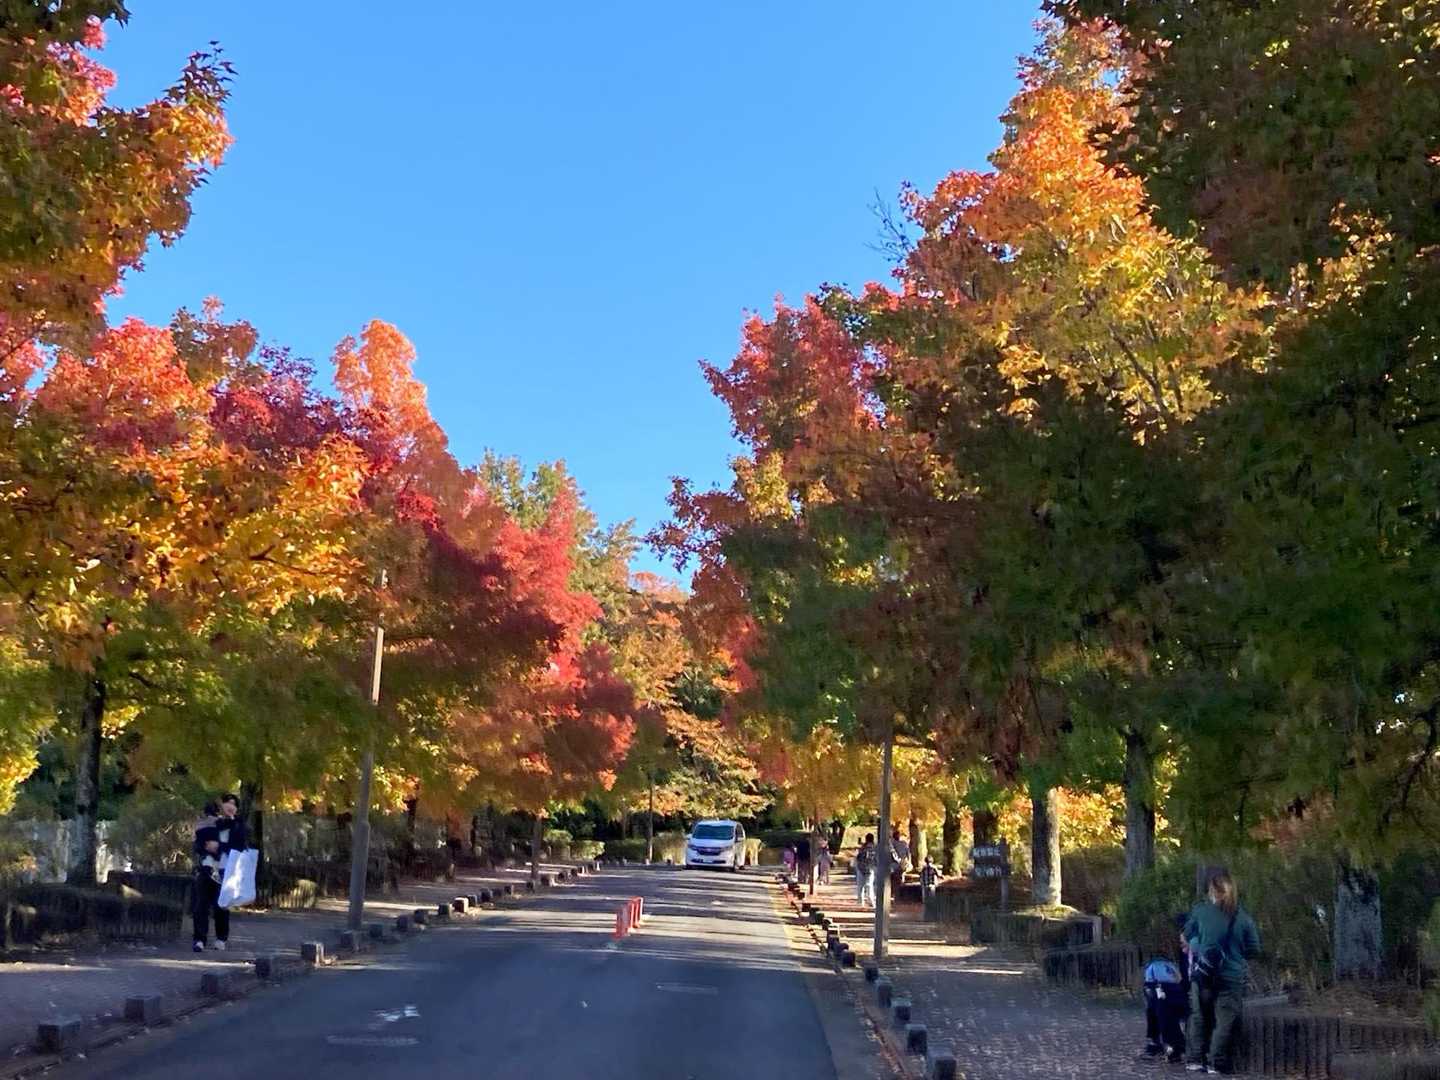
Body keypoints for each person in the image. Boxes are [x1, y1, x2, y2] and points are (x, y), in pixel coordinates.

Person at [1184, 871, 1260, 1075]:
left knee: (1198, 1016)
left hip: (1203, 974)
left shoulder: (1201, 911)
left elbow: (1187, 934)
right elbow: (1254, 949)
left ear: (1211, 890)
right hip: (1231, 977)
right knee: (1224, 1021)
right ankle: (1215, 1061)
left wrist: (1198, 945)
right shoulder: (1244, 918)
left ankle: (1194, 1058)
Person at [192, 792, 249, 954]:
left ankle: (221, 938)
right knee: (201, 905)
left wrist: (219, 847)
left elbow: (240, 846)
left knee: (222, 905)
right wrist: (206, 848)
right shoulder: (209, 823)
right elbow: (198, 845)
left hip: (226, 869)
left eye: (234, 804)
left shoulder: (238, 825)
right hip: (207, 867)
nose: (231, 806)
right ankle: (199, 939)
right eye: (228, 802)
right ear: (221, 805)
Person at [1142, 913, 1190, 1063]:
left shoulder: (1194, 948)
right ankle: (1163, 1043)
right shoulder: (1181, 952)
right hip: (1180, 987)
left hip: (1192, 988)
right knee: (1156, 1000)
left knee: (1161, 1002)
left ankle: (1173, 1045)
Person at [854, 834, 876, 909]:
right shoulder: (875, 848)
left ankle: (860, 902)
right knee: (869, 886)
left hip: (861, 868)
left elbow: (857, 857)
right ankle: (871, 901)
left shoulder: (862, 848)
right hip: (870, 869)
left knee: (860, 886)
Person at [889, 827, 910, 898]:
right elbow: (908, 853)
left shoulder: (899, 843)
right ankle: (897, 893)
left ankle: (897, 893)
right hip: (899, 863)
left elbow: (908, 853)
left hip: (898, 863)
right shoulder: (901, 843)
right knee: (898, 878)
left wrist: (908, 861)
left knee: (897, 878)